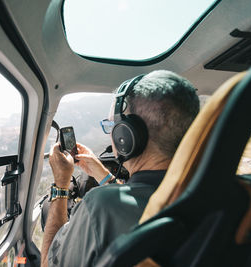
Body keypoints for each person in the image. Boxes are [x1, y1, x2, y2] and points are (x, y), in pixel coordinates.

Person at [41, 70, 200, 267]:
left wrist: (61, 183)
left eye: (113, 126)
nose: (111, 135)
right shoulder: (216, 192)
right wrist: (102, 174)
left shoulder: (100, 207)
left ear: (126, 136)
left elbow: (47, 263)